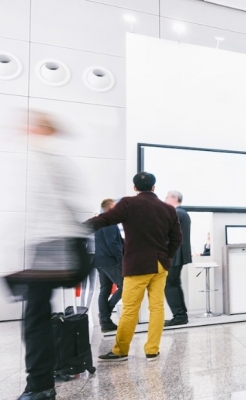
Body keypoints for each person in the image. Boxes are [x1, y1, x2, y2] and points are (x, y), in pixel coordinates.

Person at [17, 112, 90, 400]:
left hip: (49, 247)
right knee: (37, 315)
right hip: (63, 245)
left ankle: (40, 386)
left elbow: (34, 209)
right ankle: (41, 384)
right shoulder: (58, 160)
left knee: (35, 318)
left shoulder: (38, 159)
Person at [86, 172, 182, 362]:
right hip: (160, 265)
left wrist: (80, 227)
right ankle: (152, 350)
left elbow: (105, 219)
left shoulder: (128, 203)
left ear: (135, 188)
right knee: (157, 308)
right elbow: (177, 238)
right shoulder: (168, 209)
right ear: (154, 187)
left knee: (130, 308)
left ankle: (120, 350)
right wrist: (167, 256)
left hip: (137, 265)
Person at [94, 198, 124, 332]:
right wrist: (121, 258)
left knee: (105, 289)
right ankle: (105, 315)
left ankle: (105, 321)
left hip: (100, 261)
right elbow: (112, 243)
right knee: (125, 286)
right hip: (110, 261)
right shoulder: (109, 222)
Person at [164, 190, 192, 327]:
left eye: (167, 197)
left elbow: (167, 234)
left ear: (174, 198)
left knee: (170, 284)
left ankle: (179, 315)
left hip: (174, 253)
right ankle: (181, 314)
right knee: (174, 283)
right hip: (178, 253)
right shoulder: (183, 213)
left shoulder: (176, 213)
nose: (165, 200)